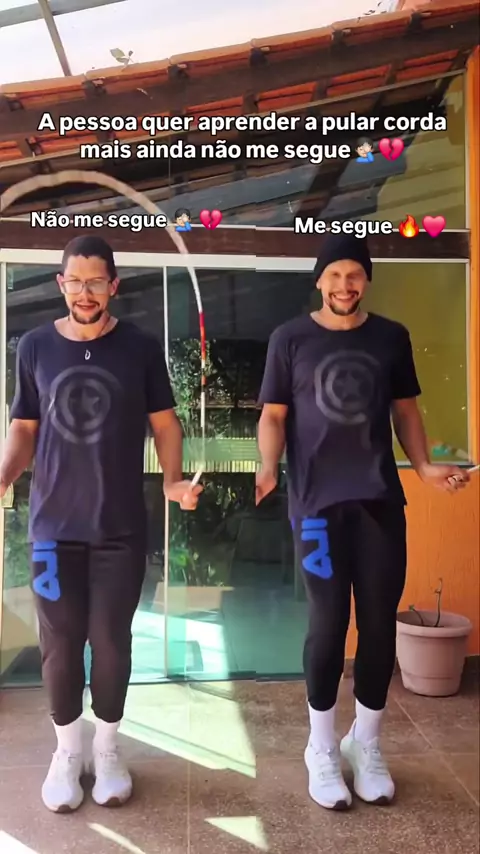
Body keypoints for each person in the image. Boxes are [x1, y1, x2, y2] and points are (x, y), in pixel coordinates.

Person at [255, 233, 470, 811]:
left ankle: (366, 743)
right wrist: (268, 466)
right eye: (334, 275)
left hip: (378, 503)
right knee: (328, 624)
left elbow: (406, 411)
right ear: (319, 281)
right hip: (317, 507)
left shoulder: (390, 337)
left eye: (354, 275)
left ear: (365, 281)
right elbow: (273, 415)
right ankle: (322, 747)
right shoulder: (290, 339)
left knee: (378, 626)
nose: (344, 285)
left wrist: (424, 467)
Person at [0, 235, 202, 814]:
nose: (84, 293)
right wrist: (3, 476)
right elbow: (24, 428)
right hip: (52, 531)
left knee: (111, 643)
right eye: (75, 281)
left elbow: (165, 424)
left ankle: (107, 749)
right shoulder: (35, 346)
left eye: (95, 282)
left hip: (119, 529)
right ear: (60, 284)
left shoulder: (138, 347)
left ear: (113, 286)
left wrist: (172, 481)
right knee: (60, 645)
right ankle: (67, 752)